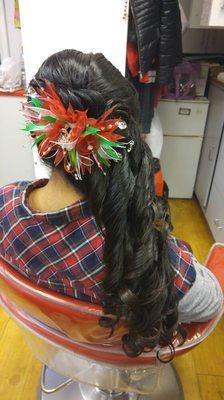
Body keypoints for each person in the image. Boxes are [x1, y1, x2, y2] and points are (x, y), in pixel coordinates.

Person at [0, 50, 222, 358]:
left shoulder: (5, 206)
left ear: (41, 132)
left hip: (59, 340)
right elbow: (210, 301)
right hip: (120, 355)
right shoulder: (134, 248)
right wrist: (177, 250)